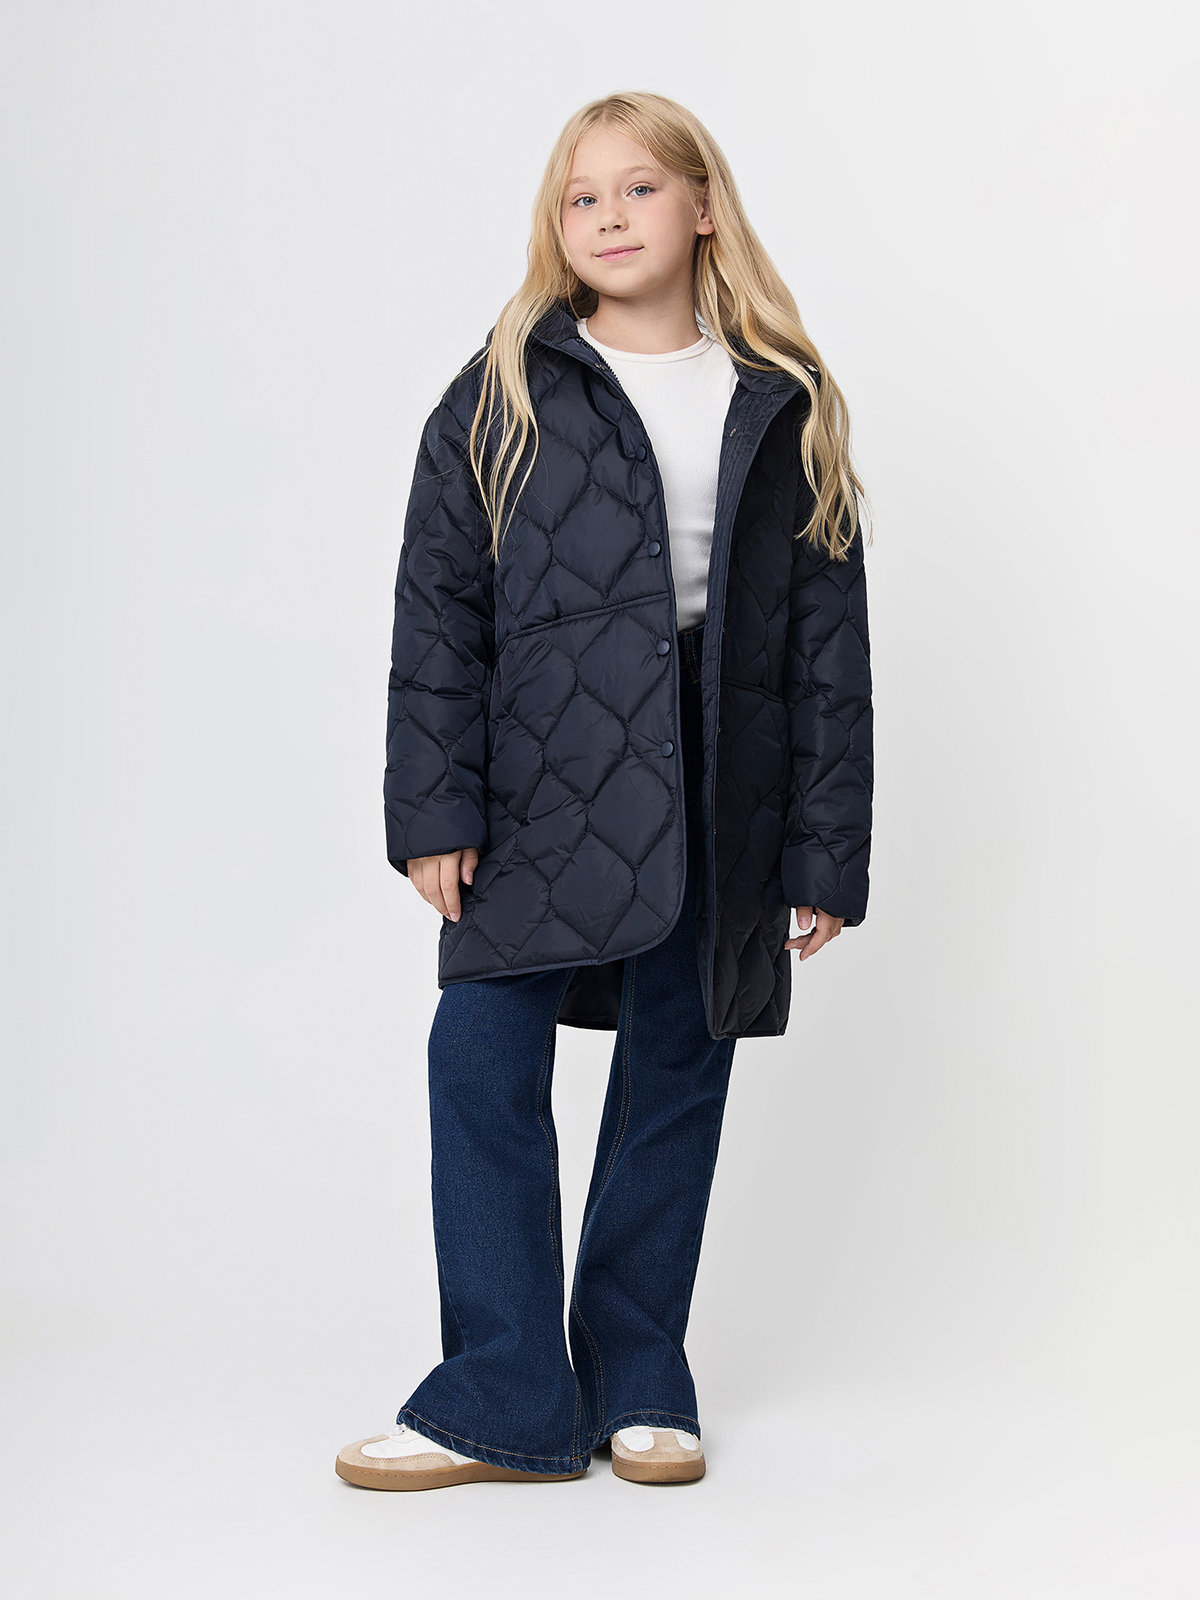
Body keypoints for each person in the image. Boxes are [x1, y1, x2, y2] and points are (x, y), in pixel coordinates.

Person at [336, 90, 873, 1493]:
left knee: (677, 1066)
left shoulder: (779, 400)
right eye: (582, 197)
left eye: (639, 188)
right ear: (555, 227)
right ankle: (504, 1390)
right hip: (541, 769)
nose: (610, 216)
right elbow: (439, 613)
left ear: (703, 209)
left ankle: (639, 1373)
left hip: (721, 770)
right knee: (481, 1054)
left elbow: (826, 649)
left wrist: (824, 848)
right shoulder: (503, 388)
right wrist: (436, 810)